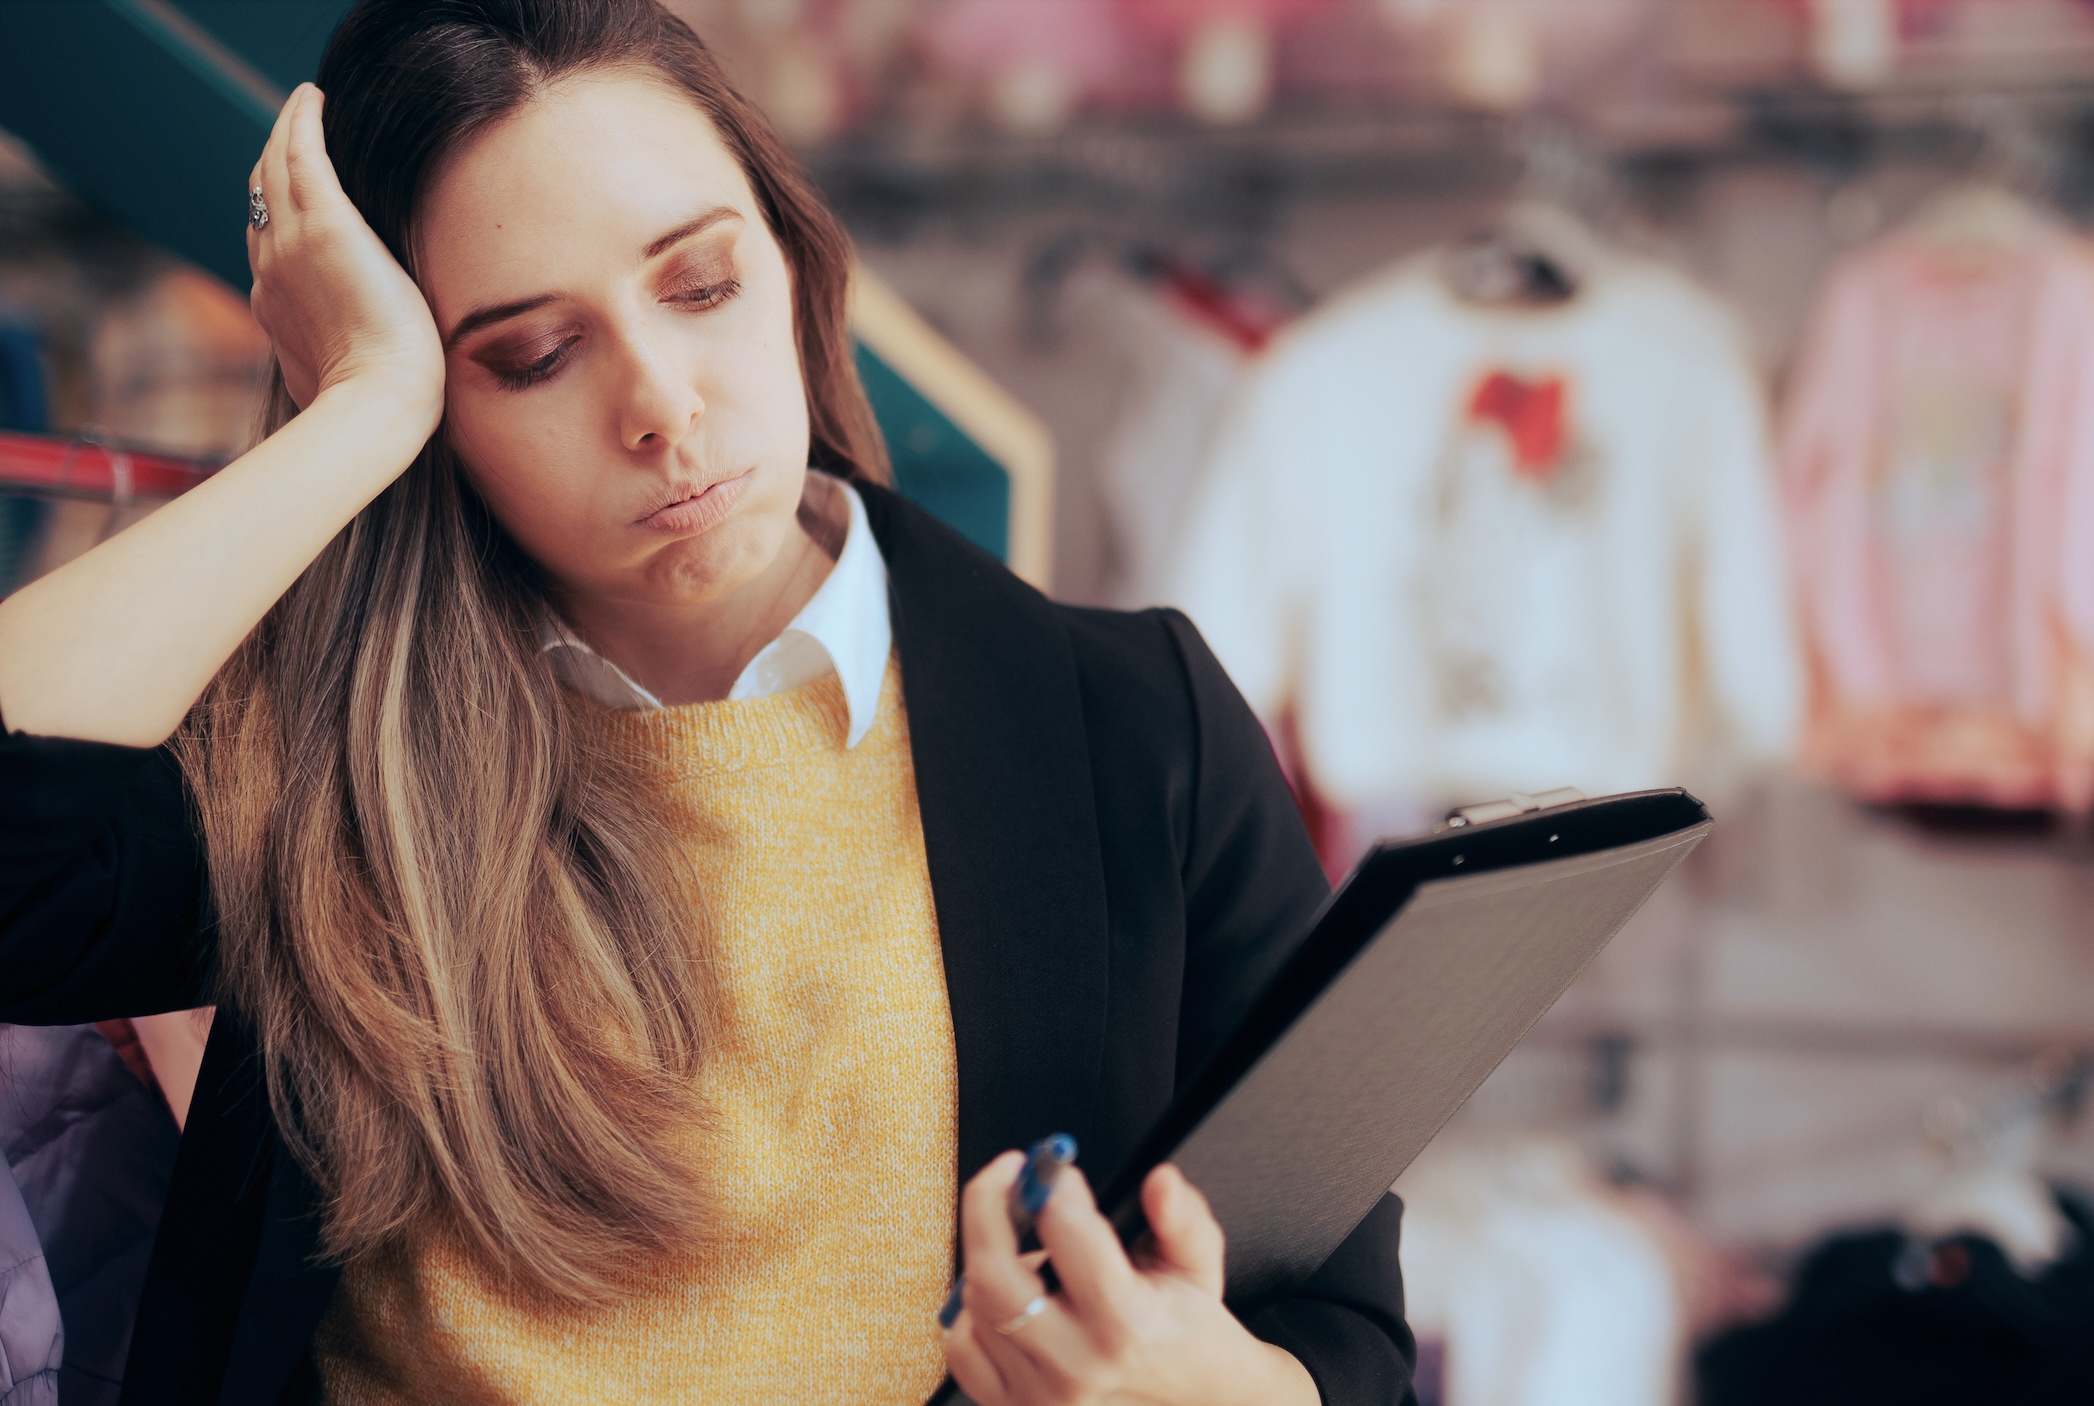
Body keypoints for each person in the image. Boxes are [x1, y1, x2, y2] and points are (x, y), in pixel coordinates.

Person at [0, 2, 1415, 1402]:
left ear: (794, 262)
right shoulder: (318, 762)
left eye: (701, 286)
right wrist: (356, 414)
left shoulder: (1136, 728)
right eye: (530, 356)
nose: (663, 408)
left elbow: (1338, 1327)